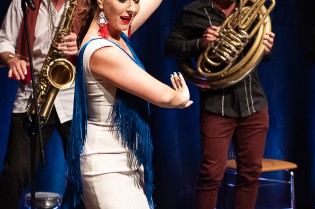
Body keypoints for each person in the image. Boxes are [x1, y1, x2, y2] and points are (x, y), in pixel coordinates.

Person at [62, 0, 193, 208]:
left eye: (136, 0)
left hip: (126, 160)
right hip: (104, 167)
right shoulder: (101, 50)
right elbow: (165, 96)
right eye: (123, 0)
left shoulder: (116, 33)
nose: (132, 8)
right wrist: (180, 97)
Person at [164, 0, 275, 209]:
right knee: (210, 175)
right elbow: (170, 46)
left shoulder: (252, 9)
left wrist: (266, 50)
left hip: (254, 103)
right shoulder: (193, 12)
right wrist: (200, 43)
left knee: (250, 175)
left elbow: (260, 53)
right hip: (217, 105)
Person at [0, 0, 80, 208]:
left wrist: (83, 45)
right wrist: (12, 60)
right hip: (33, 94)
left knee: (85, 171)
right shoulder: (22, 2)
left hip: (74, 97)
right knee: (15, 172)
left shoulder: (87, 3)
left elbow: (108, 37)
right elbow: (5, 41)